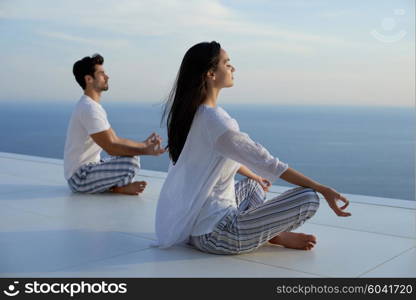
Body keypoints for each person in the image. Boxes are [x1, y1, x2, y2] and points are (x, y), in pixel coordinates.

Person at [155, 41, 351, 254]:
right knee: (309, 198)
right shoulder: (218, 122)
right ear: (211, 73)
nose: (233, 68)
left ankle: (266, 232)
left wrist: (254, 176)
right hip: (219, 236)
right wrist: (323, 189)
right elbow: (270, 164)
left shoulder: (193, 114)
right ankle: (273, 234)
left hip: (194, 224)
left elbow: (216, 158)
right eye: (227, 64)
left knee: (254, 185)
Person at [64, 54, 166, 195]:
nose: (107, 77)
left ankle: (116, 187)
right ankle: (117, 188)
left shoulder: (92, 106)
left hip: (92, 167)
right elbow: (111, 147)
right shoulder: (89, 108)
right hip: (80, 178)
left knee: (132, 155)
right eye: (101, 74)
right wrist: (146, 150)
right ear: (88, 79)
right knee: (131, 163)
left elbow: (115, 140)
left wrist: (143, 145)